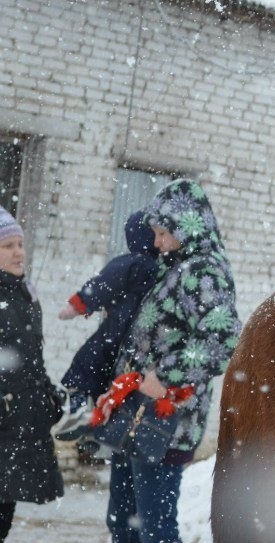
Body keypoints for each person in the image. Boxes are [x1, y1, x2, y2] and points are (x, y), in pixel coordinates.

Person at [101, 179, 240, 543]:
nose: (157, 242)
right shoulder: (174, 265)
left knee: (154, 531)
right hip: (136, 411)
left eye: (163, 233)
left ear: (186, 227)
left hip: (166, 420)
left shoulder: (205, 271)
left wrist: (164, 375)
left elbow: (222, 340)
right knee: (122, 523)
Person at [52, 210, 161, 438]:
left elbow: (103, 284)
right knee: (108, 377)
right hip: (133, 337)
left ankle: (78, 410)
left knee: (88, 360)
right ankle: (92, 426)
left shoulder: (133, 263)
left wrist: (79, 305)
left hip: (117, 329)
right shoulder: (156, 266)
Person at [0, 206, 65, 540]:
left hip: (17, 429)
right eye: (7, 246)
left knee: (3, 516)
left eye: (20, 244)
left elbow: (31, 362)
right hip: (5, 422)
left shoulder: (26, 296)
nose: (18, 252)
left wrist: (49, 395)